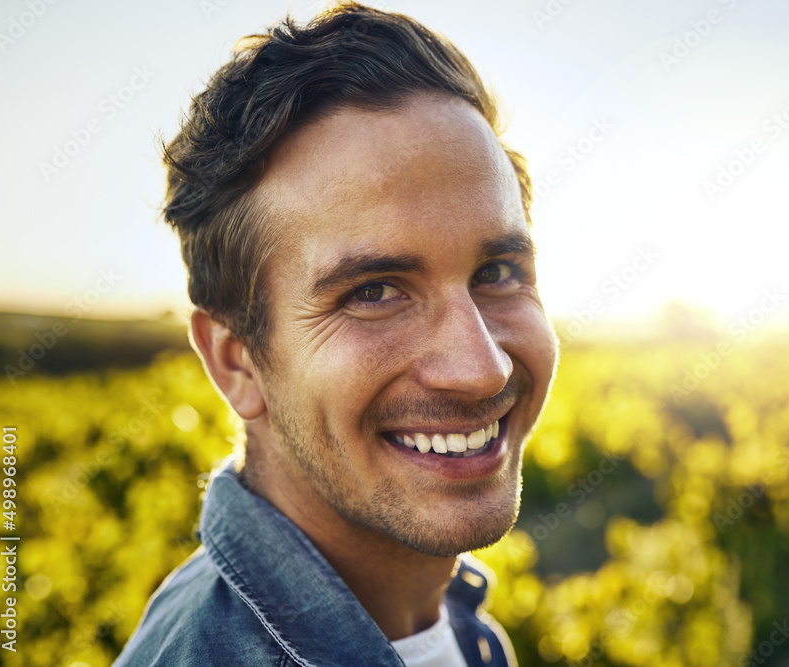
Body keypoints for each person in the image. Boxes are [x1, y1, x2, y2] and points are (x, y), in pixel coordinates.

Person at [114, 2, 558, 666]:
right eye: (374, 291)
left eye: (497, 271)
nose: (482, 368)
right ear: (236, 361)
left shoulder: (453, 626)